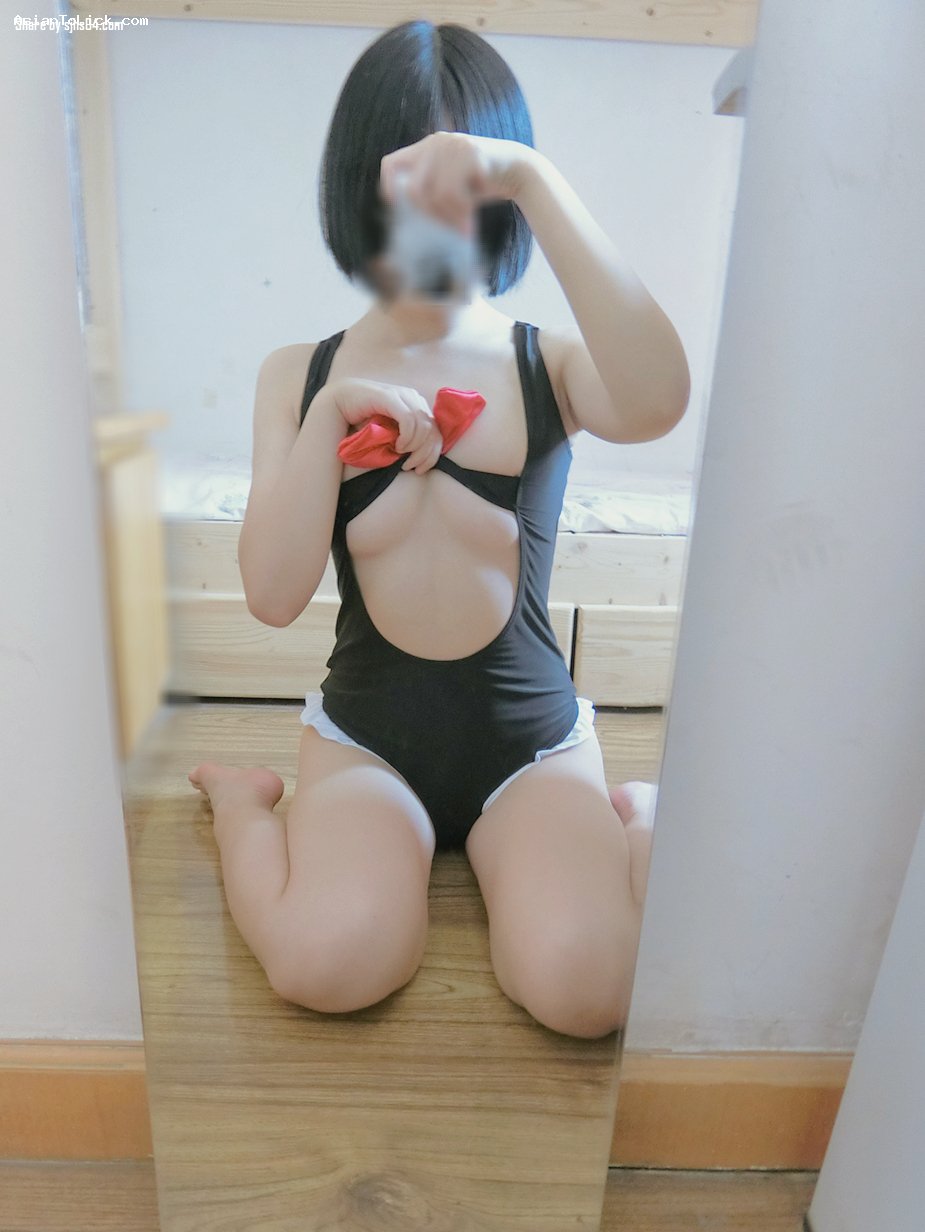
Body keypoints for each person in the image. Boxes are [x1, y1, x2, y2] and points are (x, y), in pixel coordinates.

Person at [189, 20, 689, 1040]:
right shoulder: (298, 374)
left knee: (588, 990)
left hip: (531, 744)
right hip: (368, 741)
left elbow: (657, 402)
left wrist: (534, 178)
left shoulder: (551, 361)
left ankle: (636, 814)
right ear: (355, 184)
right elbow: (273, 596)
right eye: (403, 177)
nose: (429, 207)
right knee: (326, 963)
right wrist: (327, 426)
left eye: (461, 180)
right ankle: (243, 802)